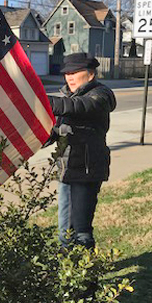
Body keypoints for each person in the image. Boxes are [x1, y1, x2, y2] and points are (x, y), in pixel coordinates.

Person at [47, 52, 117, 250]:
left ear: (91, 74)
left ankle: (87, 277)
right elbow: (57, 130)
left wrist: (45, 101)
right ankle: (67, 270)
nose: (69, 77)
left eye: (75, 72)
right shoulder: (70, 98)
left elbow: (84, 106)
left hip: (87, 170)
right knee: (64, 229)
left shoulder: (100, 95)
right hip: (67, 169)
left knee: (81, 230)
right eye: (67, 73)